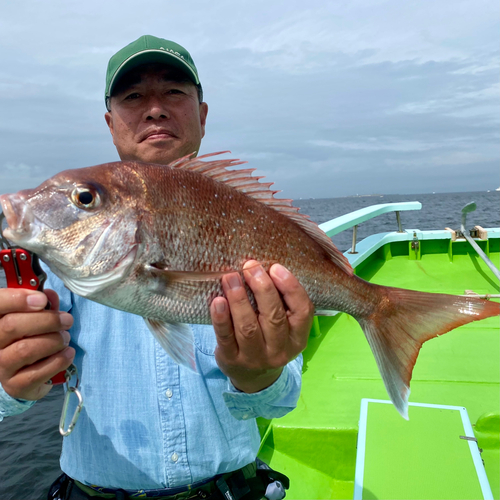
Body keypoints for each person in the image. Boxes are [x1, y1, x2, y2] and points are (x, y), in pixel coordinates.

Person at [0, 35, 314, 499]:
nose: (154, 110)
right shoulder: (46, 264)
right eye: (133, 97)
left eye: (173, 92)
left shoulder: (251, 217)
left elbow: (281, 399)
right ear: (111, 124)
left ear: (202, 114)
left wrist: (260, 376)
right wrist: (11, 384)